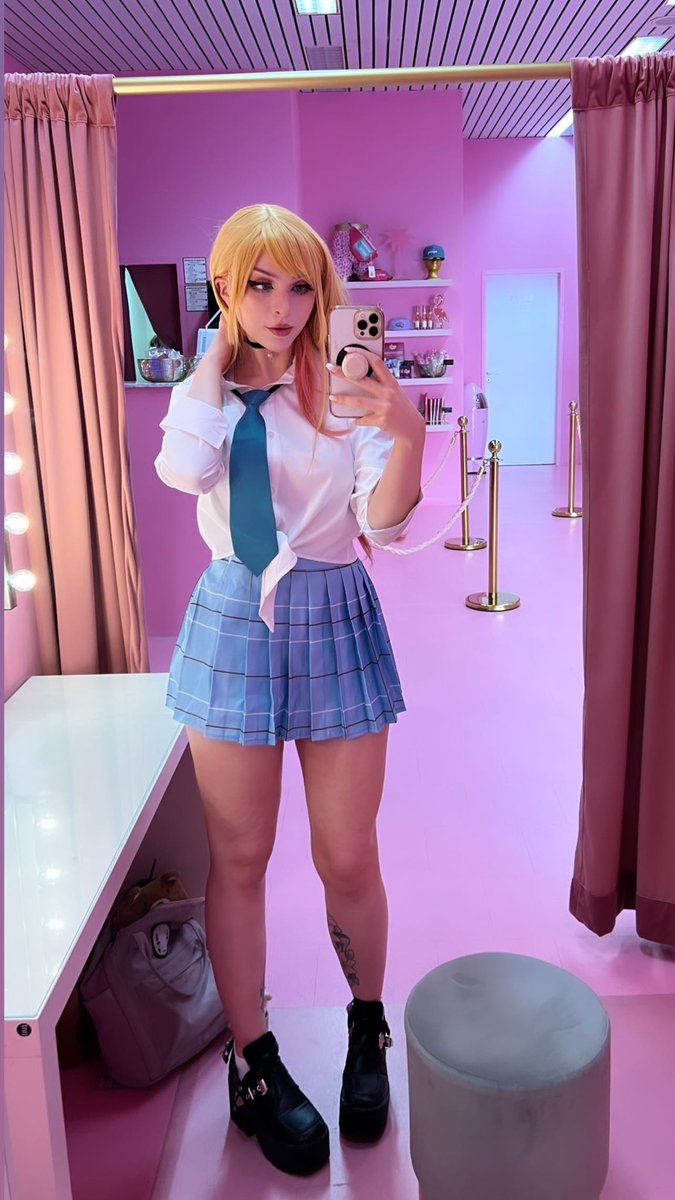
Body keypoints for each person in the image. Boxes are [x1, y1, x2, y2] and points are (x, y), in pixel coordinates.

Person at [155, 203, 424, 1177]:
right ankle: (254, 1061)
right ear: (226, 286)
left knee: (347, 854)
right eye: (260, 284)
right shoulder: (205, 391)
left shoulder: (343, 389)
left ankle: (366, 1030)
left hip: (333, 606)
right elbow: (184, 470)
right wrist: (212, 370)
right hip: (234, 613)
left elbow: (383, 525)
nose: (283, 306)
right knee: (239, 858)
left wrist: (407, 430)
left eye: (302, 286)